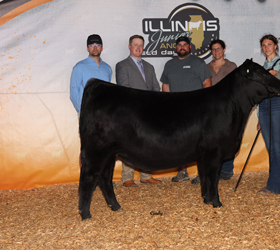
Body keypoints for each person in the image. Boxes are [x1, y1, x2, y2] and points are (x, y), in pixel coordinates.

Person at [160, 36, 212, 183]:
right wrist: (167, 103)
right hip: (176, 110)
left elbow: (207, 83)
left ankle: (203, 173)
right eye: (179, 45)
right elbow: (165, 85)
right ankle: (183, 172)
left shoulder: (198, 62)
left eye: (185, 45)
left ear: (190, 47)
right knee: (180, 142)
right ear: (176, 48)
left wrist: (205, 105)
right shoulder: (169, 64)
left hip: (196, 110)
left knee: (200, 142)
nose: (182, 47)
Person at [115, 35, 162, 187]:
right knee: (130, 144)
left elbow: (156, 88)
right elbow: (124, 89)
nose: (138, 47)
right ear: (129, 46)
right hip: (132, 113)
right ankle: (127, 178)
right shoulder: (122, 65)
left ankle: (146, 175)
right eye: (135, 44)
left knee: (148, 143)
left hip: (149, 113)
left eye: (141, 45)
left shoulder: (149, 67)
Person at [70, 34, 112, 169]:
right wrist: (82, 112)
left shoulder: (107, 68)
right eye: (92, 45)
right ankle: (87, 180)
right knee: (87, 147)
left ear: (102, 48)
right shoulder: (79, 67)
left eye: (98, 45)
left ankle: (102, 179)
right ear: (88, 48)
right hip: (87, 113)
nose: (95, 48)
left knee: (105, 146)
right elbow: (74, 92)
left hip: (105, 115)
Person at [257, 34, 280, 195]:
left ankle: (276, 186)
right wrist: (258, 116)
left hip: (277, 103)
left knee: (277, 147)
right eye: (264, 45)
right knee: (271, 147)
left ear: (276, 46)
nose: (266, 47)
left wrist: (277, 74)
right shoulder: (262, 66)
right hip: (263, 105)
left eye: (269, 44)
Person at [206, 39, 237, 182]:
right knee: (211, 140)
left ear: (224, 50)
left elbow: (237, 88)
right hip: (211, 109)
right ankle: (213, 168)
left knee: (228, 138)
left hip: (227, 108)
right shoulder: (206, 67)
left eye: (218, 48)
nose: (216, 51)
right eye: (213, 49)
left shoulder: (232, 66)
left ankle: (227, 169)